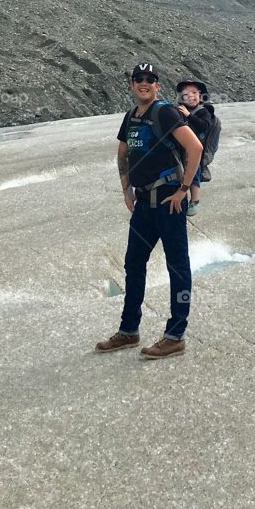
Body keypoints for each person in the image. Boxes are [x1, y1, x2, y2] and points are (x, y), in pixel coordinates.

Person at [96, 62, 203, 360]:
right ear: (131, 85)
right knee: (133, 266)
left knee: (178, 268)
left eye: (150, 79)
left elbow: (194, 148)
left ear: (157, 85)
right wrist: (126, 189)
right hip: (143, 204)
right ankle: (129, 331)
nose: (144, 83)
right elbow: (123, 154)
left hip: (170, 202)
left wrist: (183, 190)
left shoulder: (165, 112)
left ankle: (175, 336)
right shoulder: (131, 116)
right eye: (138, 79)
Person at [175, 78, 217, 217]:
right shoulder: (180, 110)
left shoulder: (204, 111)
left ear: (200, 96)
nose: (190, 96)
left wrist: (188, 115)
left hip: (196, 151)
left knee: (194, 173)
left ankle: (195, 199)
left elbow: (204, 126)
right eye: (186, 94)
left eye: (194, 92)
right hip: (181, 149)